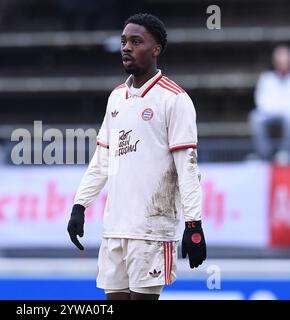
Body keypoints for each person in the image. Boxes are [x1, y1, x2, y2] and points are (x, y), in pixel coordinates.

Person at [67, 13, 206, 300]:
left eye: (136, 41)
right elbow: (102, 158)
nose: (126, 47)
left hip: (152, 230)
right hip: (115, 227)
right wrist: (80, 205)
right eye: (123, 41)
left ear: (156, 49)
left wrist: (194, 225)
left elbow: (187, 167)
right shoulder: (116, 97)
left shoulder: (175, 100)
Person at [249, 45, 290, 162]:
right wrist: (274, 109)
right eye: (279, 61)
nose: (282, 63)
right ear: (275, 62)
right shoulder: (266, 78)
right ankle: (264, 154)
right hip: (269, 113)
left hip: (287, 114)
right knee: (255, 117)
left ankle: (285, 153)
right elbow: (261, 100)